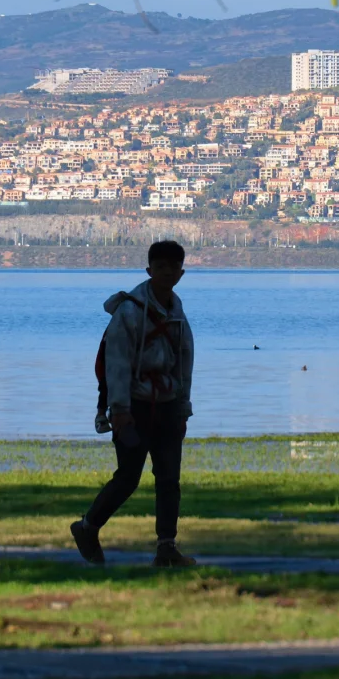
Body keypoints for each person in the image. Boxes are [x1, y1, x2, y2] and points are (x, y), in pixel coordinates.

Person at [70, 239, 197, 568]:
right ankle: (87, 528)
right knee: (128, 478)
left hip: (168, 405)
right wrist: (120, 410)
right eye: (160, 267)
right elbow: (117, 365)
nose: (167, 272)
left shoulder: (178, 314)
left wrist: (182, 407)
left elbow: (184, 363)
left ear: (181, 273)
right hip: (134, 407)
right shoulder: (128, 312)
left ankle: (166, 547)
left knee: (169, 479)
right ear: (149, 271)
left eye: (173, 267)